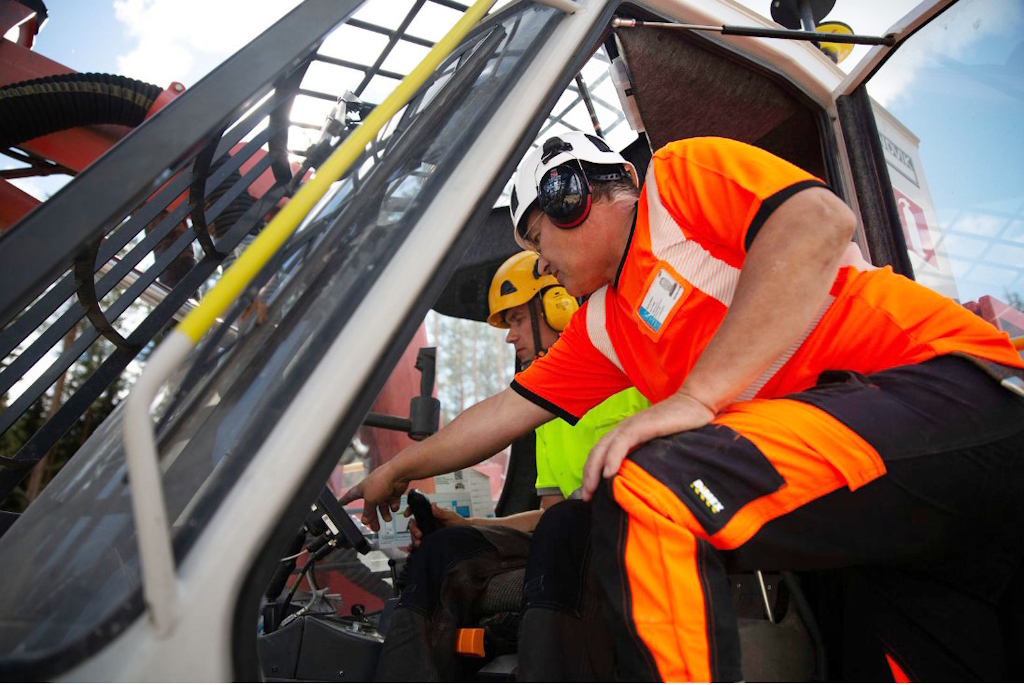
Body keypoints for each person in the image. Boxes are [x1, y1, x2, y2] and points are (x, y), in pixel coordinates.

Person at [344, 131, 1024, 681]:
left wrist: (699, 396)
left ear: (572, 197)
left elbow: (819, 221)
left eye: (536, 240)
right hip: (887, 508)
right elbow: (503, 411)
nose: (539, 262)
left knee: (650, 485)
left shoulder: (678, 180)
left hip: (954, 389)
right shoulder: (605, 326)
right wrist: (397, 471)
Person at [374, 251, 648, 681]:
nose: (509, 337)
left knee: (568, 524)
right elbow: (546, 514)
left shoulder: (627, 374)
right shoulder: (546, 416)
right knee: (442, 549)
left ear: (558, 306)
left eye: (517, 319)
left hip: (628, 536)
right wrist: (468, 526)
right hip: (569, 533)